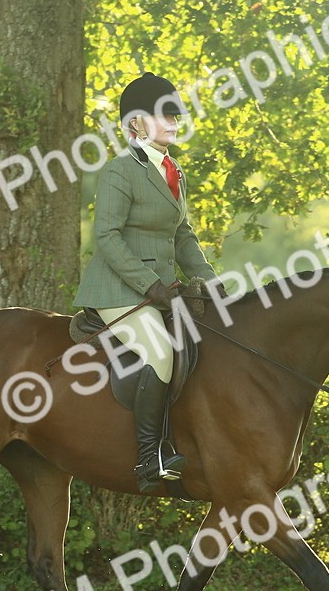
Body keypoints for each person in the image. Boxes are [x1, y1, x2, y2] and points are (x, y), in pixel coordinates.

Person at [72, 72, 223, 492]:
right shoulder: (120, 171)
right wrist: (150, 285)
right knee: (159, 351)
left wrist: (209, 281)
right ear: (135, 124)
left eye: (176, 115)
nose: (174, 123)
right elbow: (106, 237)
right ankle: (147, 459)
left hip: (162, 290)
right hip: (118, 290)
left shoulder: (174, 171)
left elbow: (183, 235)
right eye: (163, 116)